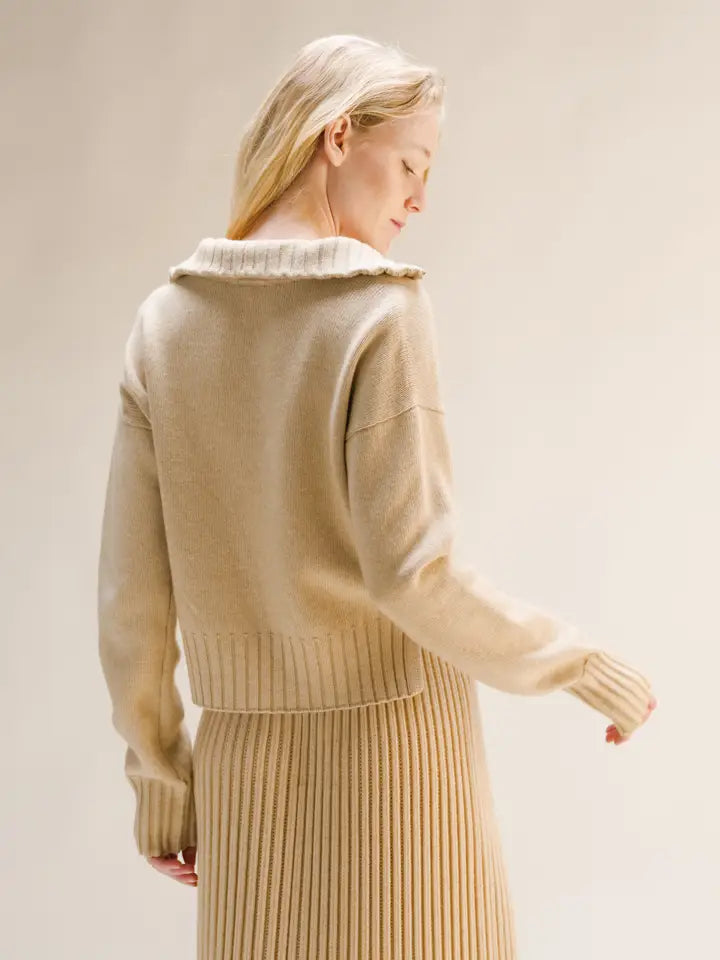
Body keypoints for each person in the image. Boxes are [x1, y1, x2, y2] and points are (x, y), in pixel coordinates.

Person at [96, 32, 657, 960]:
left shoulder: (164, 327)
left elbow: (133, 603)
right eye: (411, 164)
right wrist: (582, 665)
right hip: (397, 762)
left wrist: (162, 783)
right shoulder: (380, 314)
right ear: (338, 135)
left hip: (243, 765)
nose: (419, 199)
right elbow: (414, 574)